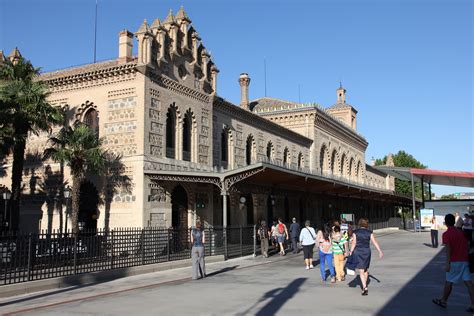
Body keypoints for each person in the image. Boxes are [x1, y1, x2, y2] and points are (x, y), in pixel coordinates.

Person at [432, 214, 474, 312]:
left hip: (455, 261)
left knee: (449, 282)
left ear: (446, 223)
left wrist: (448, 263)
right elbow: (467, 245)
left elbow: (448, 249)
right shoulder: (461, 233)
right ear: (454, 222)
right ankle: (473, 305)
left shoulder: (446, 234)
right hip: (465, 261)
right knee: (469, 283)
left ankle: (443, 301)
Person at [350, 218, 383, 295]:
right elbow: (374, 242)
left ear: (359, 224)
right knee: (365, 269)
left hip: (358, 252)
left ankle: (365, 288)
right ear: (366, 224)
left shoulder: (356, 232)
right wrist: (380, 251)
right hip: (367, 252)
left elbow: (354, 243)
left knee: (361, 271)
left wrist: (351, 251)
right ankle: (365, 285)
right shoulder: (369, 232)